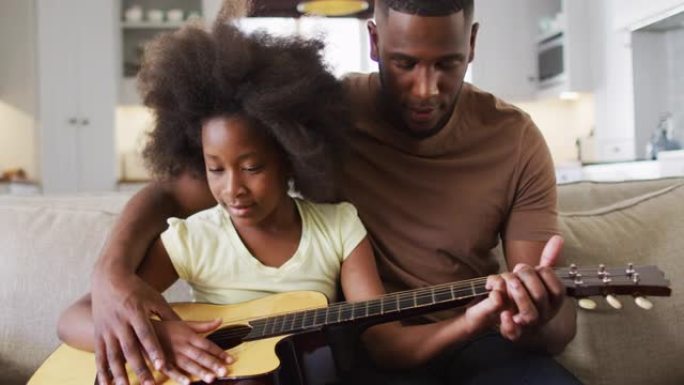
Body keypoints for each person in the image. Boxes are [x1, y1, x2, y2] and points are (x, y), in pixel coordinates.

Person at [88, 0, 580, 384]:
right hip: (367, 346)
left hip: (480, 340)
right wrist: (110, 274)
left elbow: (554, 328)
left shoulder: (514, 139)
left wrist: (540, 312)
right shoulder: (318, 118)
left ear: (472, 44)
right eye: (405, 63)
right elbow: (172, 195)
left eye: (447, 64)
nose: (426, 88)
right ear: (373, 39)